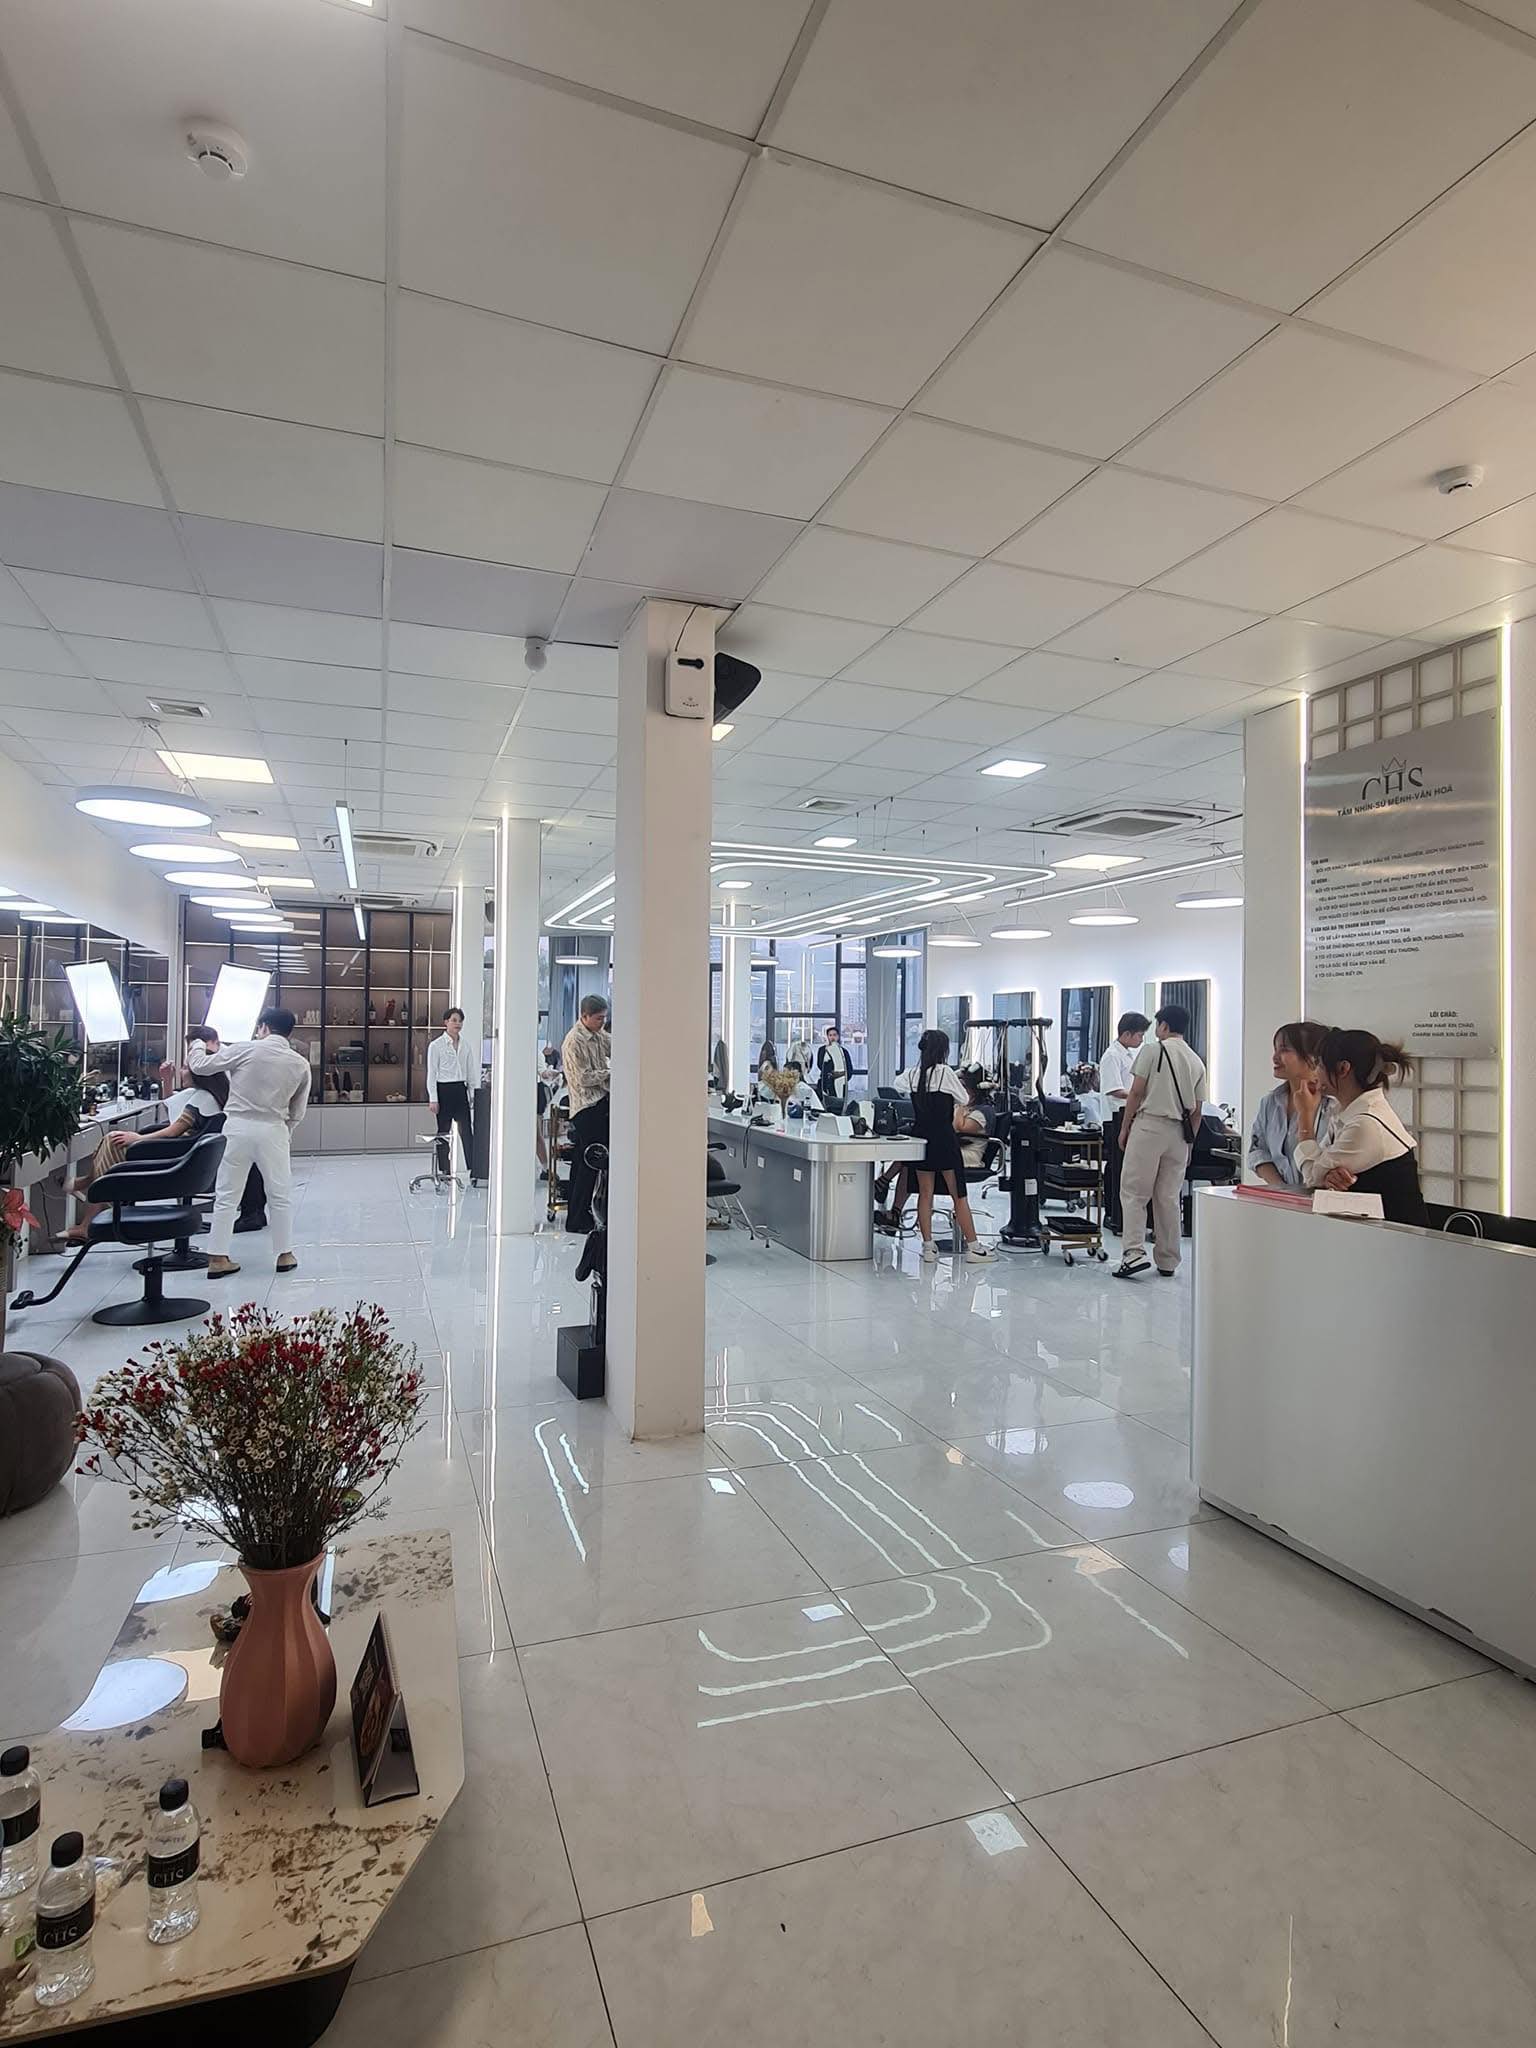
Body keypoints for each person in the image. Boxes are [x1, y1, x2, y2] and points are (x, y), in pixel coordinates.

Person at [189, 1007, 311, 1279]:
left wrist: (198, 1043)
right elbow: (298, 1110)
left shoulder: (244, 1049)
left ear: (264, 1027)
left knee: (227, 1194)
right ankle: (284, 1254)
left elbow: (200, 1066)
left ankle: (218, 1257)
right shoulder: (299, 1063)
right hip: (274, 1129)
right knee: (279, 1194)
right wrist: (285, 1131)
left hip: (237, 1127)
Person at [63, 1052, 227, 1243]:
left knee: (113, 1142)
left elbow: (172, 1131)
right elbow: (172, 1108)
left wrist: (138, 1138)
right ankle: (88, 1194)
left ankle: (88, 1212)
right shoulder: (207, 1096)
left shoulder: (202, 1099)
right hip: (181, 1155)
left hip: (174, 1157)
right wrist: (167, 1080)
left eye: (184, 1068)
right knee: (111, 1140)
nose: (181, 1072)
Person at [1294, 1027, 1428, 1225]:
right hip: (1375, 1231)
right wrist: (1328, 1176)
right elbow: (1321, 1170)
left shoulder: (1365, 1123)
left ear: (1343, 1069)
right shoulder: (1347, 1113)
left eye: (1320, 1065)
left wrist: (1305, 1115)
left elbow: (1312, 1176)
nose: (1315, 1073)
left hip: (1400, 1236)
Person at [1114, 1003, 1205, 1280]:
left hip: (1150, 1126)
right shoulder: (1196, 1061)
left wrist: (1125, 1127)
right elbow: (1197, 1111)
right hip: (1179, 1134)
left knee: (1134, 1192)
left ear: (1164, 1025)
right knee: (1168, 1197)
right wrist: (1189, 1144)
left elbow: (1136, 1093)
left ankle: (1134, 1253)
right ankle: (1168, 1259)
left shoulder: (1153, 1050)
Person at [895, 1029, 996, 1263]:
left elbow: (897, 1084)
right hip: (944, 1139)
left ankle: (928, 1247)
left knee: (925, 1194)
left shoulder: (913, 1074)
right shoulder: (945, 1073)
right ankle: (974, 1247)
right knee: (958, 1194)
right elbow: (963, 1098)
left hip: (922, 1139)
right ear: (943, 1050)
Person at [1250, 1021, 1337, 1188]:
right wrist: (1282, 1189)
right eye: (1275, 1049)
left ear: (1313, 1057)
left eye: (1284, 1050)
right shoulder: (1270, 1102)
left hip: (1325, 1197)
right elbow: (1258, 1151)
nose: (1275, 1057)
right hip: (1283, 1198)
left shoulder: (1335, 1105)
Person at [561, 994, 611, 1234]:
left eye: (604, 1018)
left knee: (583, 1164)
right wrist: (610, 1073)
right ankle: (578, 1218)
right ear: (584, 1016)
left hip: (599, 1104)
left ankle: (579, 1215)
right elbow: (583, 1077)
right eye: (599, 1018)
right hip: (586, 1109)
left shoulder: (598, 1035)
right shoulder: (574, 1041)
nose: (603, 1022)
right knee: (591, 1162)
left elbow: (617, 1045)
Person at [1098, 1012, 1149, 1234]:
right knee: (1115, 1168)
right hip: (1114, 1118)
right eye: (1139, 1035)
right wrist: (1140, 1095)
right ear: (1127, 1034)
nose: (1141, 1040)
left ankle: (1119, 1214)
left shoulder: (1127, 1055)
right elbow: (1115, 1090)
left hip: (1127, 1115)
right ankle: (1112, 1215)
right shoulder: (1112, 1056)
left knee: (1123, 1168)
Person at [427, 1005, 478, 1182]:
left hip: (460, 1090)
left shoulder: (466, 1045)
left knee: (467, 1131)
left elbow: (471, 1072)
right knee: (443, 1131)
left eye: (460, 1021)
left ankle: (473, 1170)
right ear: (446, 1022)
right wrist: (433, 1098)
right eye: (454, 1020)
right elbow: (432, 1074)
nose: (458, 1024)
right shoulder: (436, 1046)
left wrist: (472, 1094)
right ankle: (444, 1169)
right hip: (444, 1090)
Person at [816, 1024, 852, 1106]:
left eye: (834, 1035)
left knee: (839, 1104)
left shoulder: (844, 1051)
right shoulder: (822, 1050)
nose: (832, 1037)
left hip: (840, 1083)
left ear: (838, 1037)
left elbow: (849, 1069)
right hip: (826, 1083)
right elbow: (820, 1065)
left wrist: (841, 1075)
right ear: (827, 1037)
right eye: (830, 1035)